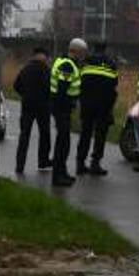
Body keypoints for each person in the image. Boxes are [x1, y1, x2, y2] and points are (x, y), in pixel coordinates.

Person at [48, 37, 87, 187]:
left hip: (60, 108)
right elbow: (63, 90)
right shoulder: (67, 66)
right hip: (62, 108)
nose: (83, 55)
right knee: (62, 143)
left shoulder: (62, 61)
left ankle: (62, 173)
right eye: (82, 52)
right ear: (76, 51)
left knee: (64, 142)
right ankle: (57, 177)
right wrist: (70, 104)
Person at [76, 41, 118, 177]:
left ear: (94, 49)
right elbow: (114, 84)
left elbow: (78, 81)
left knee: (85, 134)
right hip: (104, 105)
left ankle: (80, 164)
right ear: (105, 50)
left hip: (87, 103)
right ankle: (95, 163)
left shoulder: (85, 62)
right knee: (100, 135)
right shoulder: (111, 64)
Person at [11, 47, 52, 176]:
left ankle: (20, 165)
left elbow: (16, 85)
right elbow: (50, 87)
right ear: (44, 56)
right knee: (45, 134)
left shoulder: (25, 69)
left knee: (24, 136)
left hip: (27, 105)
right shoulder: (46, 70)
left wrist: (25, 94)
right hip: (43, 106)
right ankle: (43, 162)